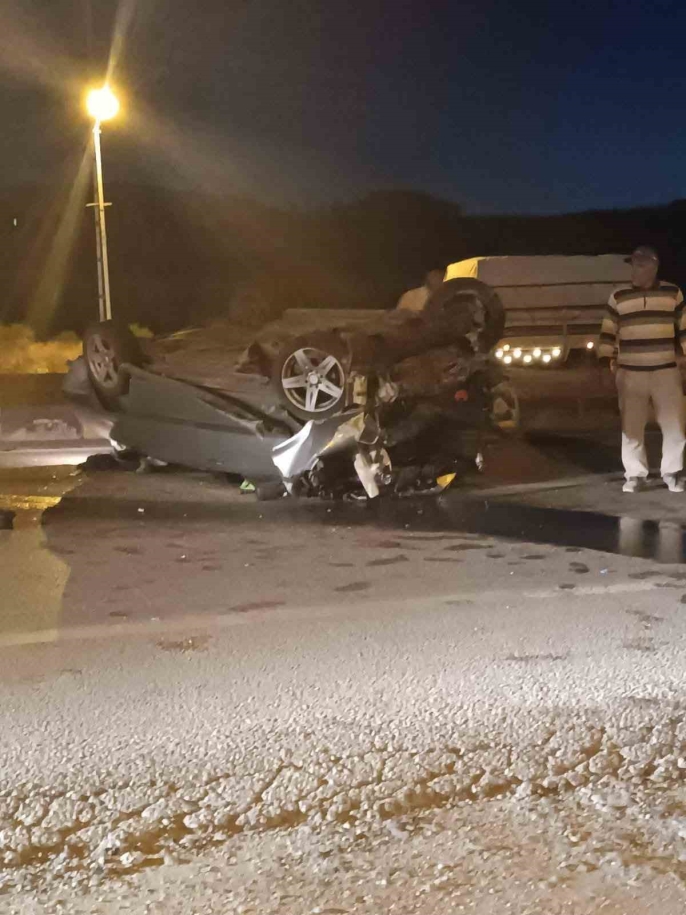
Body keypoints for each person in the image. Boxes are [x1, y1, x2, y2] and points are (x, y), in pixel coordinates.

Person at [598, 245, 686, 493]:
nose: (634, 271)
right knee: (631, 426)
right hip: (630, 372)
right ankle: (635, 475)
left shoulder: (672, 293)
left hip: (665, 371)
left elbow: (684, 327)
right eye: (633, 266)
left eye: (640, 265)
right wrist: (606, 363)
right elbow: (608, 331)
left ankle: (673, 472)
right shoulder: (619, 296)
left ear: (653, 267)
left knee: (674, 424)